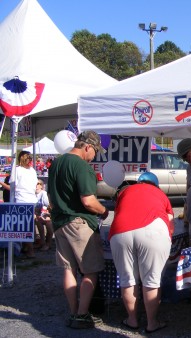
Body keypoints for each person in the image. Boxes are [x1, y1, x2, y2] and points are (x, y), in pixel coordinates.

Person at [48, 130, 109, 330]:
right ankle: (83, 315)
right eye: (95, 152)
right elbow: (88, 201)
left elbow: (50, 198)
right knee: (90, 270)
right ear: (87, 147)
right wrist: (104, 211)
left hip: (59, 223)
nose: (94, 156)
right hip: (80, 223)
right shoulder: (82, 166)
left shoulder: (56, 163)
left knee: (68, 269)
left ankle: (73, 311)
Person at [109, 172, 173, 333]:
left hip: (120, 232)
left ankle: (132, 320)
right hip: (153, 231)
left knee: (127, 279)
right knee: (152, 279)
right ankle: (152, 323)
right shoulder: (159, 193)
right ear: (155, 185)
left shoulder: (125, 191)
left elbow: (117, 214)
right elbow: (170, 219)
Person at [14, 151, 38, 258]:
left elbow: (13, 186)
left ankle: (30, 250)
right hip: (32, 199)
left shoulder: (17, 170)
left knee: (24, 226)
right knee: (30, 224)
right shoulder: (32, 170)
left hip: (22, 200)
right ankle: (27, 247)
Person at [34, 179, 53, 251]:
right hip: (37, 215)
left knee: (48, 224)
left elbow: (47, 205)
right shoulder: (32, 194)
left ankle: (48, 243)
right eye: (35, 184)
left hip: (46, 214)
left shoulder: (44, 193)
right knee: (38, 220)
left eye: (38, 184)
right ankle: (43, 242)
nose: (36, 185)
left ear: (41, 186)